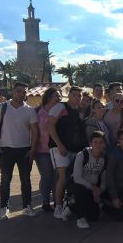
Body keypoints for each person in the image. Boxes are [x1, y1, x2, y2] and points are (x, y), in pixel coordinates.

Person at [0, 82, 39, 219]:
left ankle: (27, 206)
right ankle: (4, 208)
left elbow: (35, 131)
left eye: (24, 92)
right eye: (19, 91)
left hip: (24, 150)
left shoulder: (30, 110)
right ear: (13, 91)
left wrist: (33, 149)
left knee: (26, 180)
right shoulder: (2, 107)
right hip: (6, 150)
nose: (21, 94)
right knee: (5, 180)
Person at [48, 86, 88, 219]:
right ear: (69, 95)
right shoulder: (60, 107)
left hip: (75, 149)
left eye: (79, 95)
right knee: (63, 176)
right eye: (74, 95)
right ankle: (57, 207)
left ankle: (68, 204)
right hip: (59, 148)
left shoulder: (79, 111)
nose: (77, 98)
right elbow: (50, 125)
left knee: (73, 177)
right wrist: (59, 145)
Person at [60, 131, 108, 228]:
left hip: (93, 186)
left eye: (101, 142)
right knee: (82, 192)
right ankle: (80, 218)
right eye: (95, 142)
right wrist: (92, 188)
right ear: (90, 143)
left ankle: (72, 207)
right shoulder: (82, 155)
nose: (98, 145)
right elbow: (77, 177)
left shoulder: (105, 158)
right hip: (78, 184)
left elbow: (103, 177)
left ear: (104, 144)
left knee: (94, 217)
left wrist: (99, 191)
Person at [34, 86, 61, 212]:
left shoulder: (60, 111)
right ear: (49, 97)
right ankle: (45, 202)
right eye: (56, 95)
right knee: (46, 176)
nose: (58, 98)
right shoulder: (38, 111)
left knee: (57, 176)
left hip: (56, 149)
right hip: (42, 150)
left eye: (59, 95)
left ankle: (57, 201)